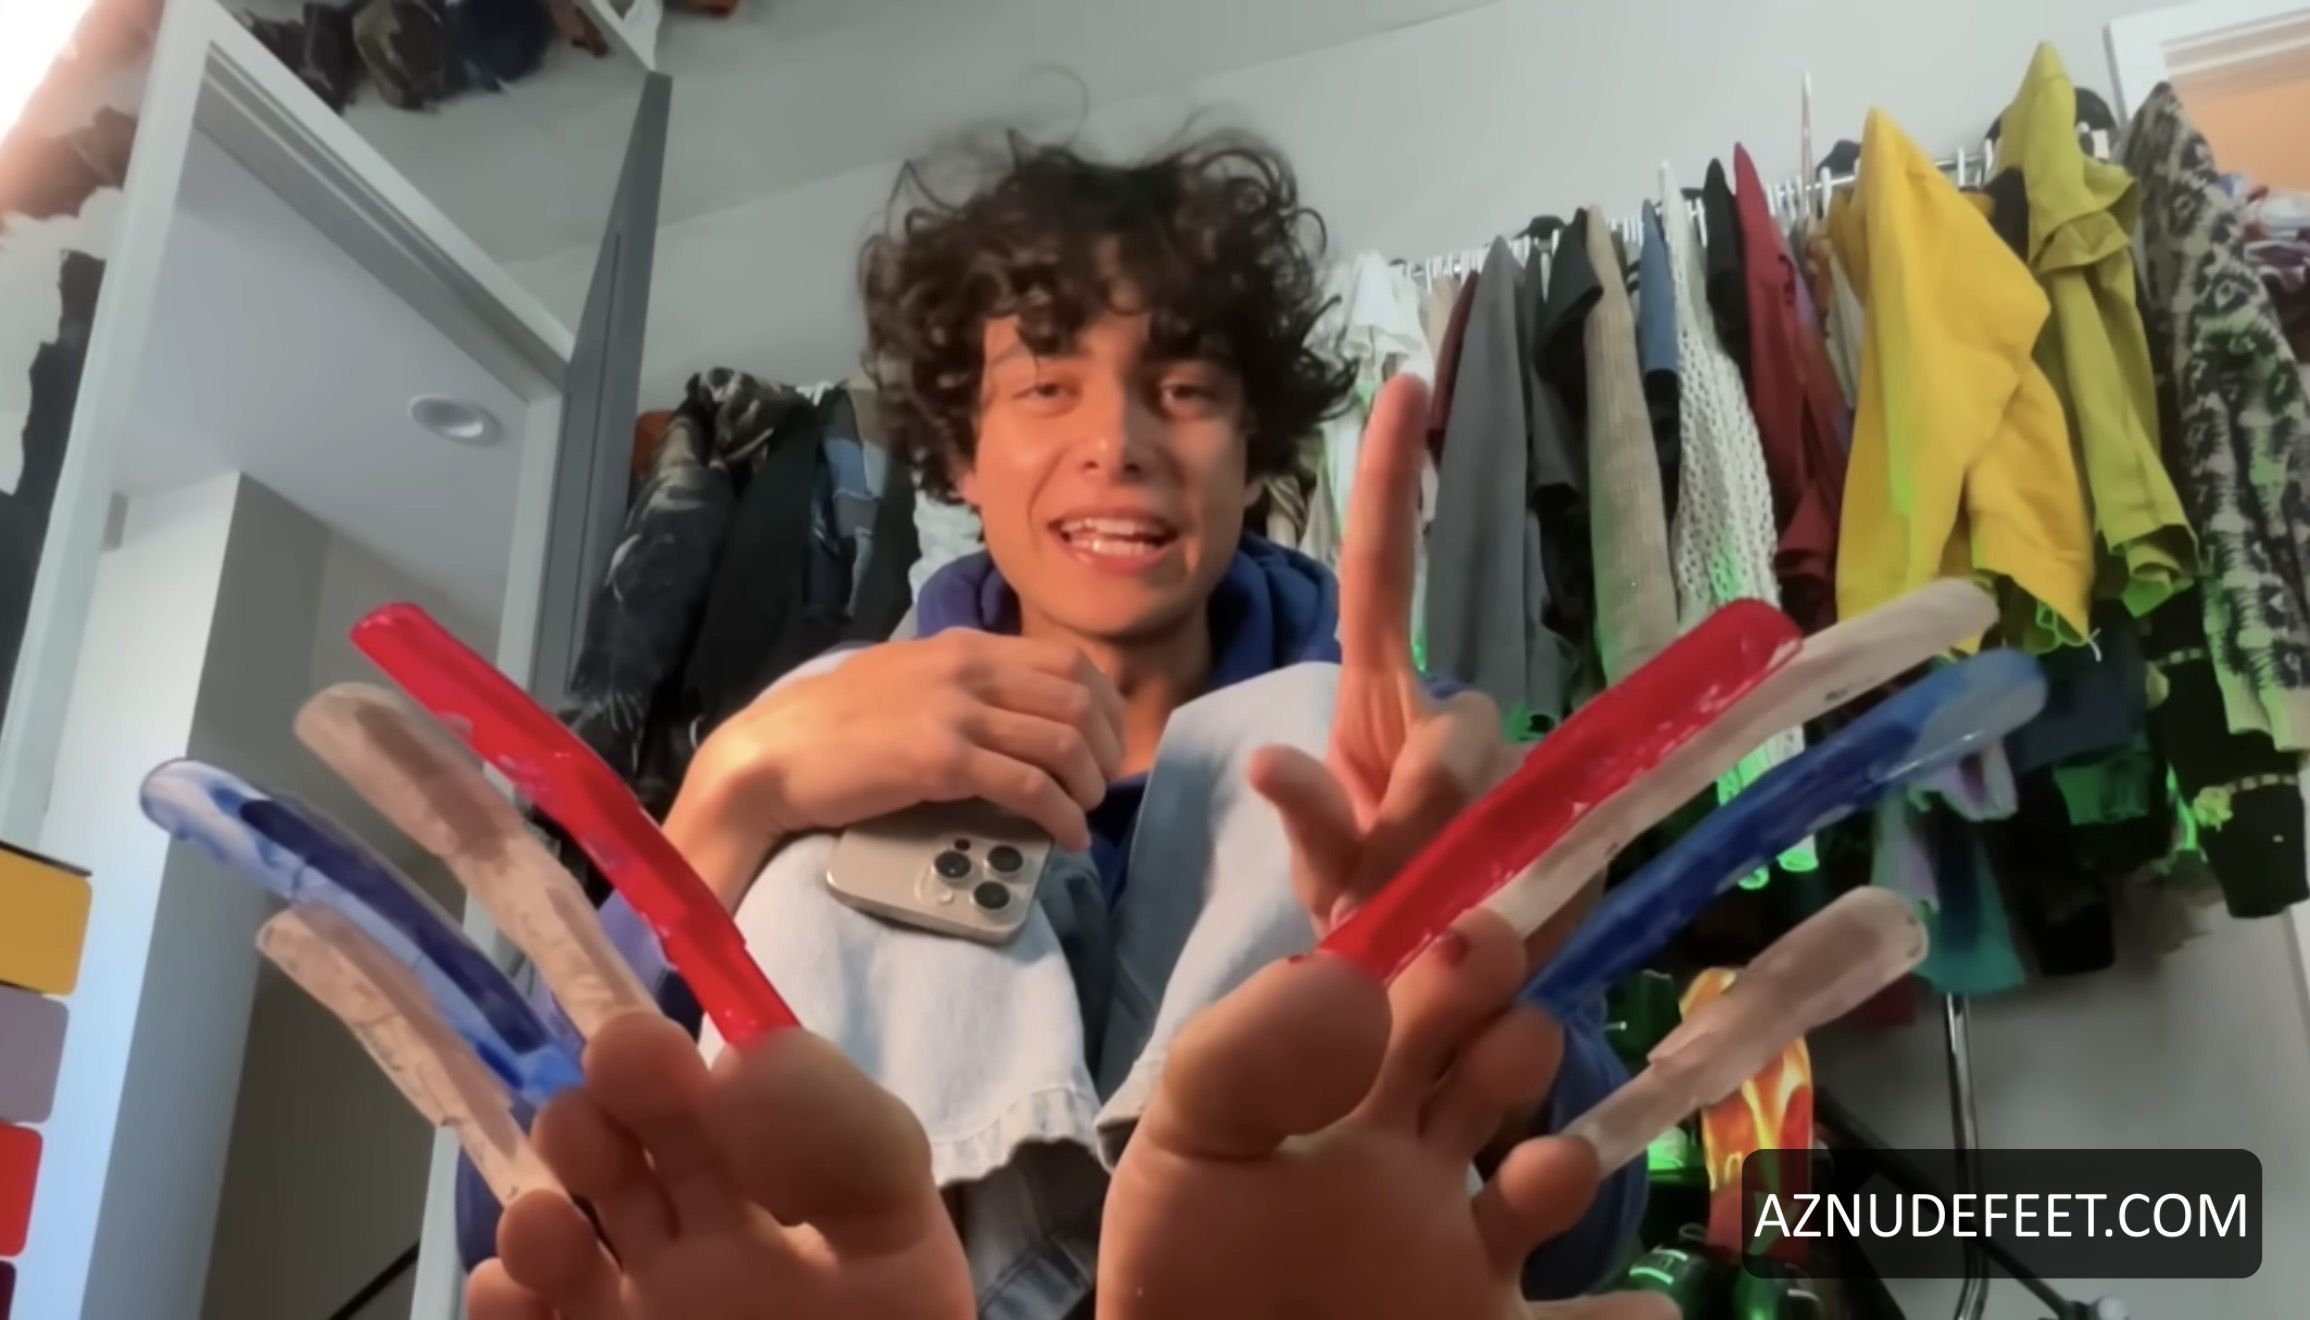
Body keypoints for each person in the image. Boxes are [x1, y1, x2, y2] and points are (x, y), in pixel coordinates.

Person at [461, 132, 1646, 1316]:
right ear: (962, 455)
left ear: (1252, 457)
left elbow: (1588, 1222)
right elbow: (505, 1204)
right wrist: (730, 798)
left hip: (1293, 1276)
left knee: (1298, 728)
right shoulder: (812, 733)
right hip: (906, 1274)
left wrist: (1456, 974)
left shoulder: (1401, 759)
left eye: (1185, 391)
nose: (1116, 444)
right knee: (838, 823)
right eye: (1045, 387)